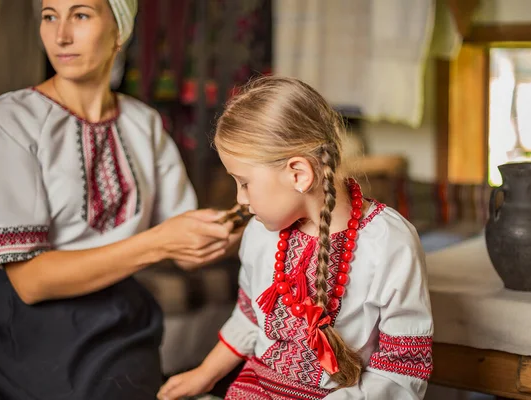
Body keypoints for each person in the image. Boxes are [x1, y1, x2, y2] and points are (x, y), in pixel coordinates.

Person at [0, 0, 241, 399]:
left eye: (80, 15)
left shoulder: (144, 123)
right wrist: (156, 243)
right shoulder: (12, 118)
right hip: (21, 329)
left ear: (119, 31)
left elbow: (186, 250)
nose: (60, 35)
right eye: (50, 16)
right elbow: (29, 282)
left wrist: (253, 217)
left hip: (118, 322)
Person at [157, 76, 434, 400]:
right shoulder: (261, 233)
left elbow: (401, 370)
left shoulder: (389, 243)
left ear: (298, 174)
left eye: (244, 183)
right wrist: (203, 375)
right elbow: (249, 319)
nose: (240, 199)